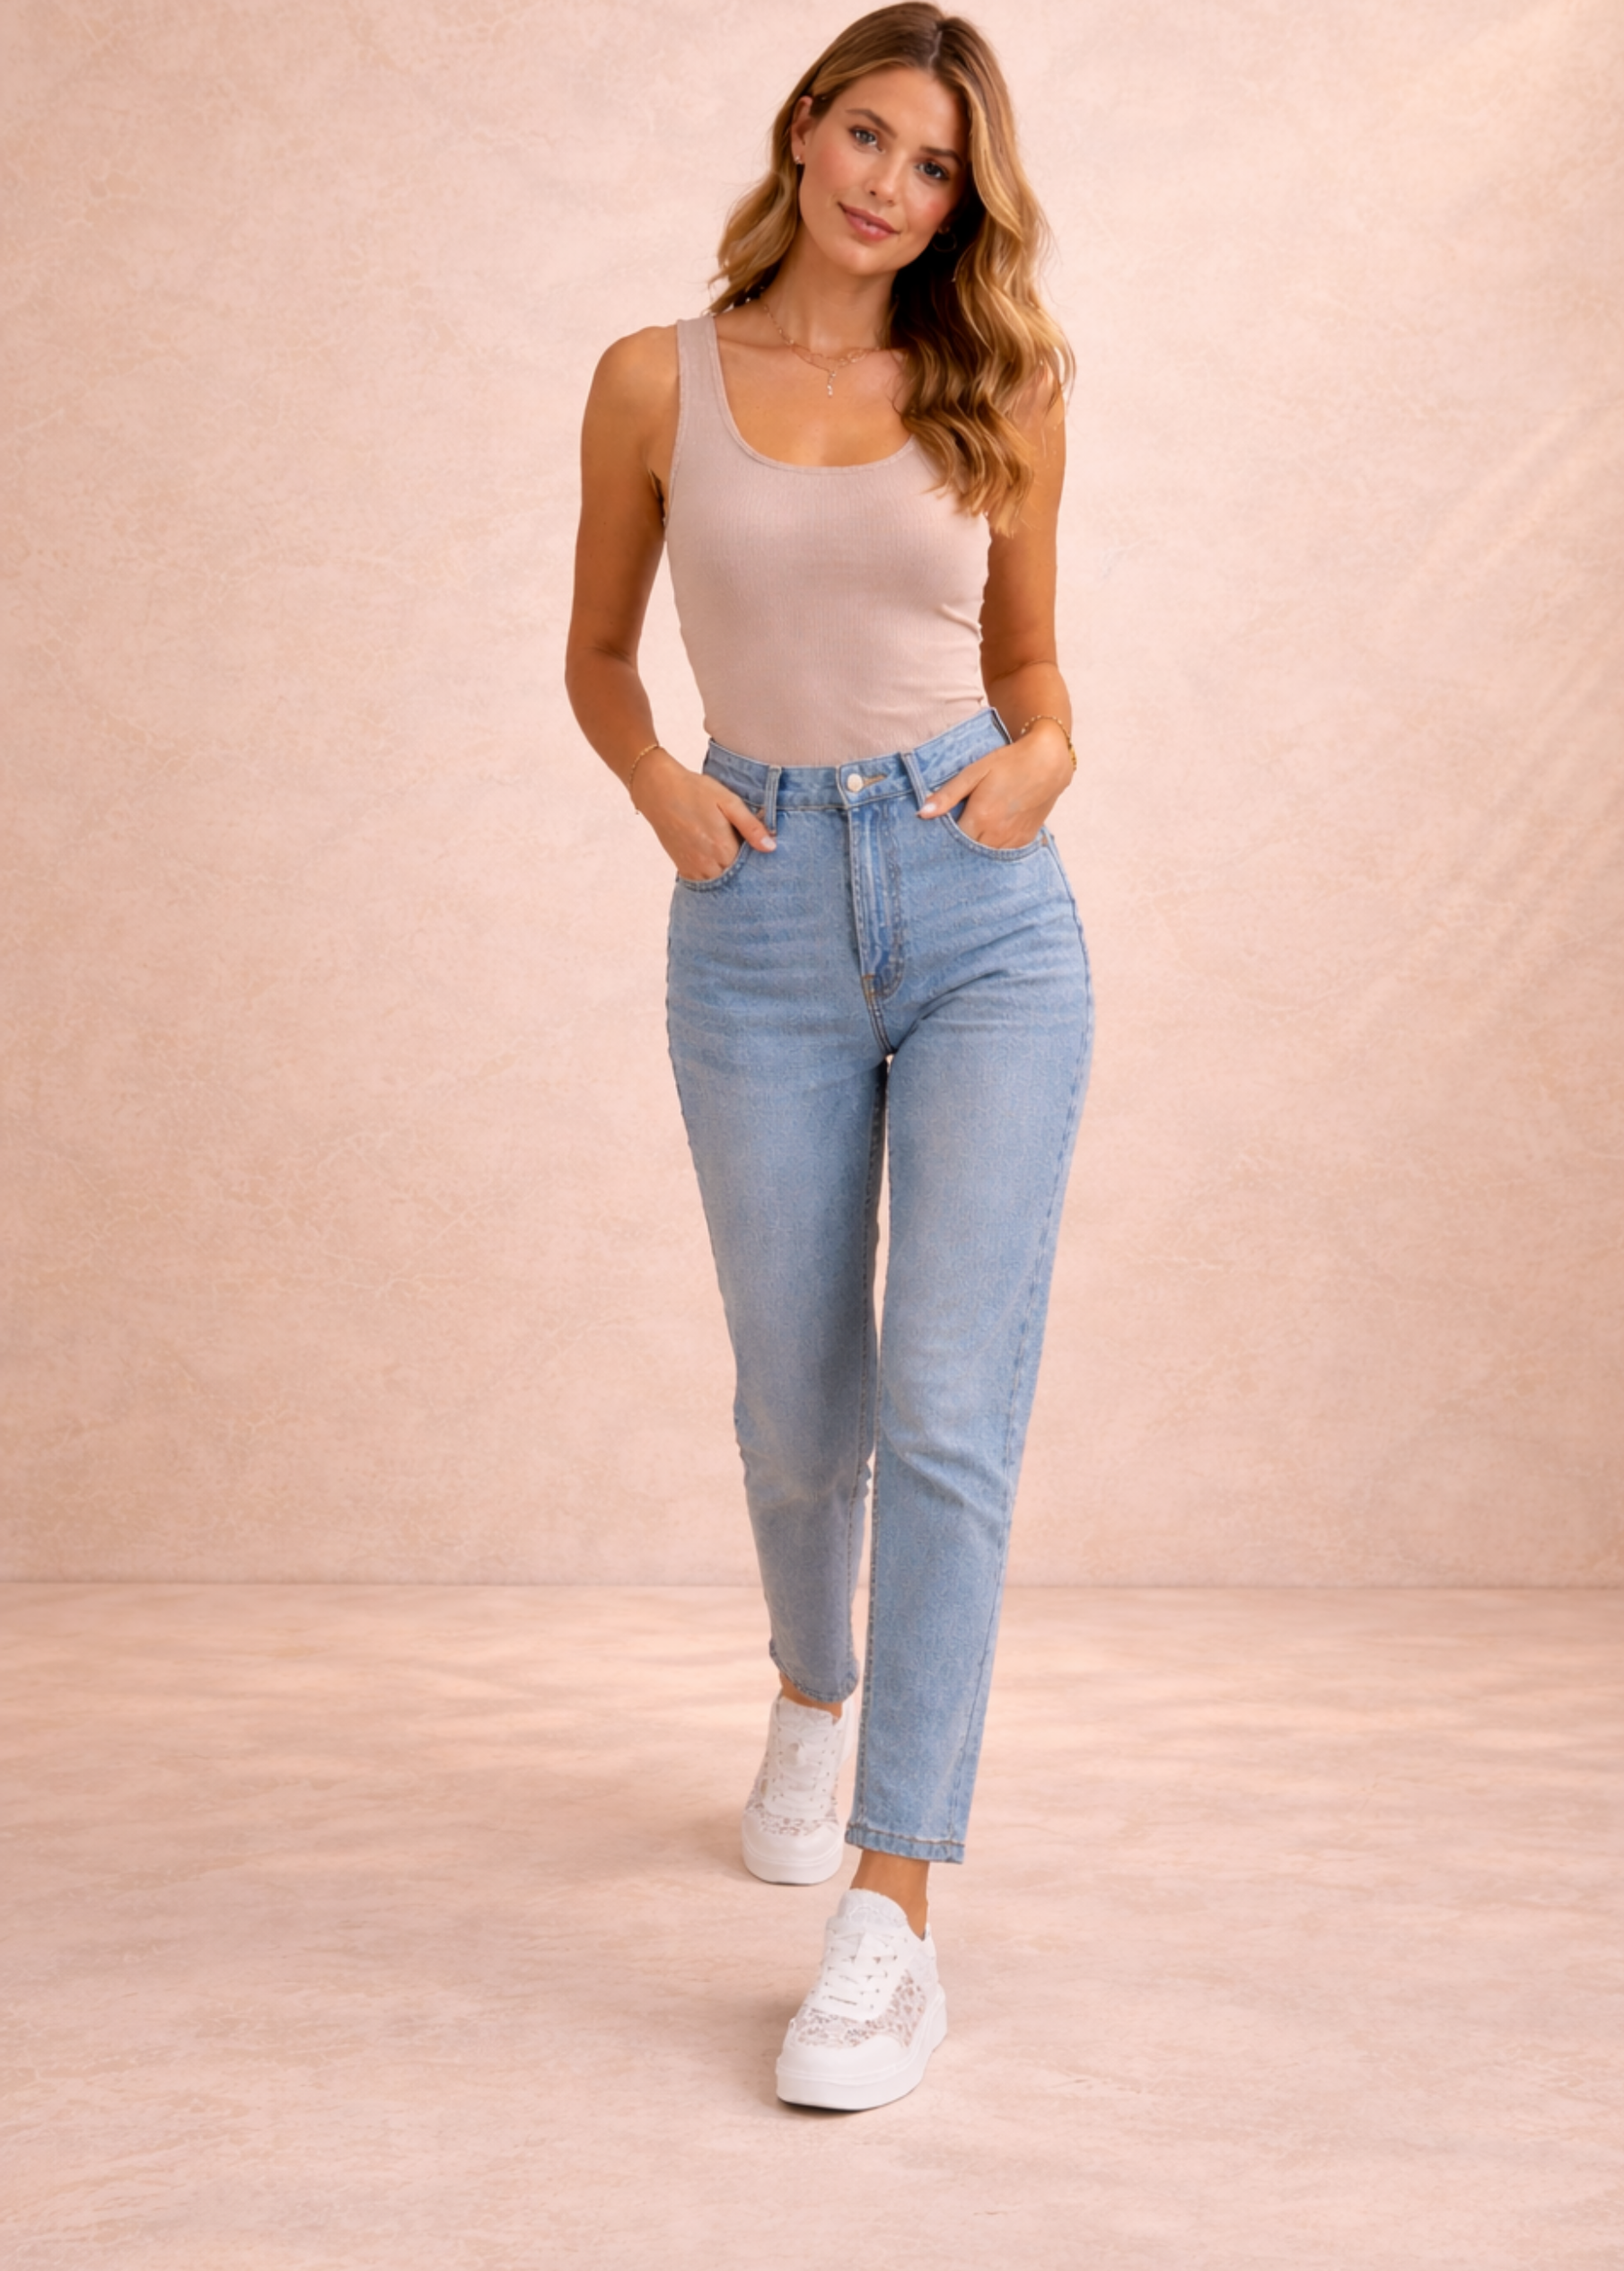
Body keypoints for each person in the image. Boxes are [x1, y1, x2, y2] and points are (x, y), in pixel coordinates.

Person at [565, 2, 1092, 2111]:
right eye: (870, 135)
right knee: (801, 1416)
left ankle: (893, 1905)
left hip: (983, 916)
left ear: (964, 201)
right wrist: (656, 785)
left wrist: (1048, 756)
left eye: (936, 164)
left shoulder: (1005, 382)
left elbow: (1031, 660)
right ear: (803, 131)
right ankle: (810, 1683)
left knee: (949, 1410)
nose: (893, 185)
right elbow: (599, 654)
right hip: (760, 913)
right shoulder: (651, 379)